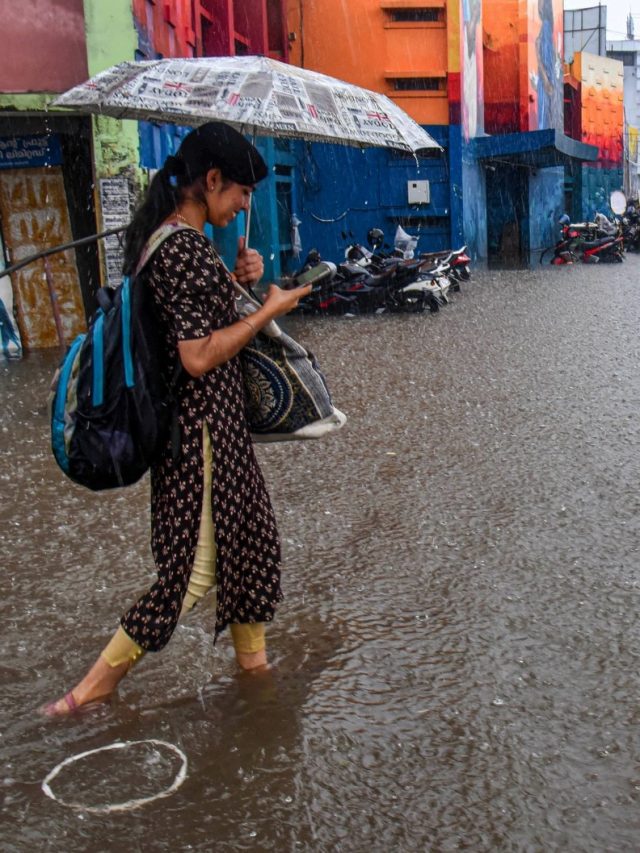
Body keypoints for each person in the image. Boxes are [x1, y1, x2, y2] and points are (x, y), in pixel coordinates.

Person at [44, 122, 310, 715]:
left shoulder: (176, 242)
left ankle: (254, 671)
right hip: (201, 435)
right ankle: (86, 695)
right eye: (240, 191)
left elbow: (197, 324)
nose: (245, 203)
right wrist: (269, 307)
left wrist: (240, 282)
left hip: (218, 430)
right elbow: (196, 356)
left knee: (253, 545)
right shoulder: (183, 248)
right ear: (211, 181)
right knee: (188, 575)